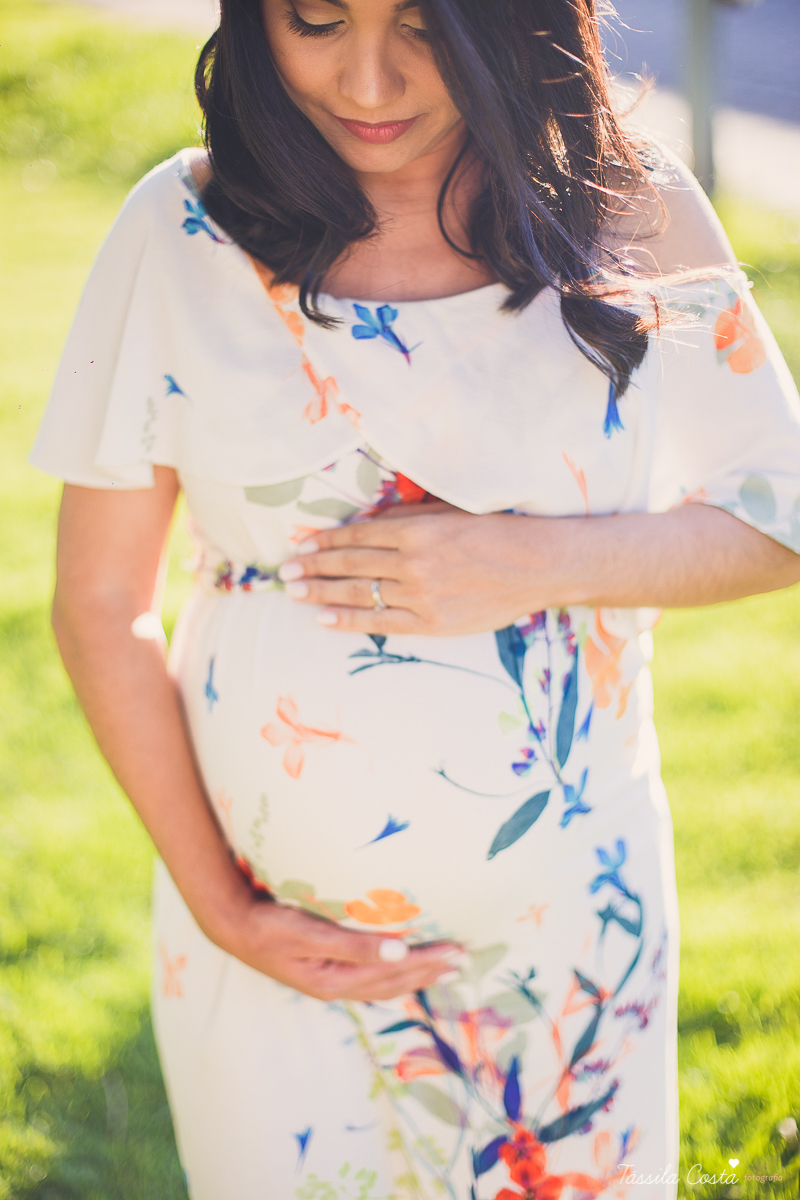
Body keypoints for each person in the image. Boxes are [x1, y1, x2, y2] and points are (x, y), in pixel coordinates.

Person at [31, 0, 800, 1197]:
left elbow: (775, 521)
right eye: (319, 21)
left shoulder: (628, 203)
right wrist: (223, 910)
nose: (372, 82)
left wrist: (534, 566)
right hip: (276, 952)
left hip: (570, 939)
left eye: (427, 29)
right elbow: (96, 600)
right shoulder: (178, 229)